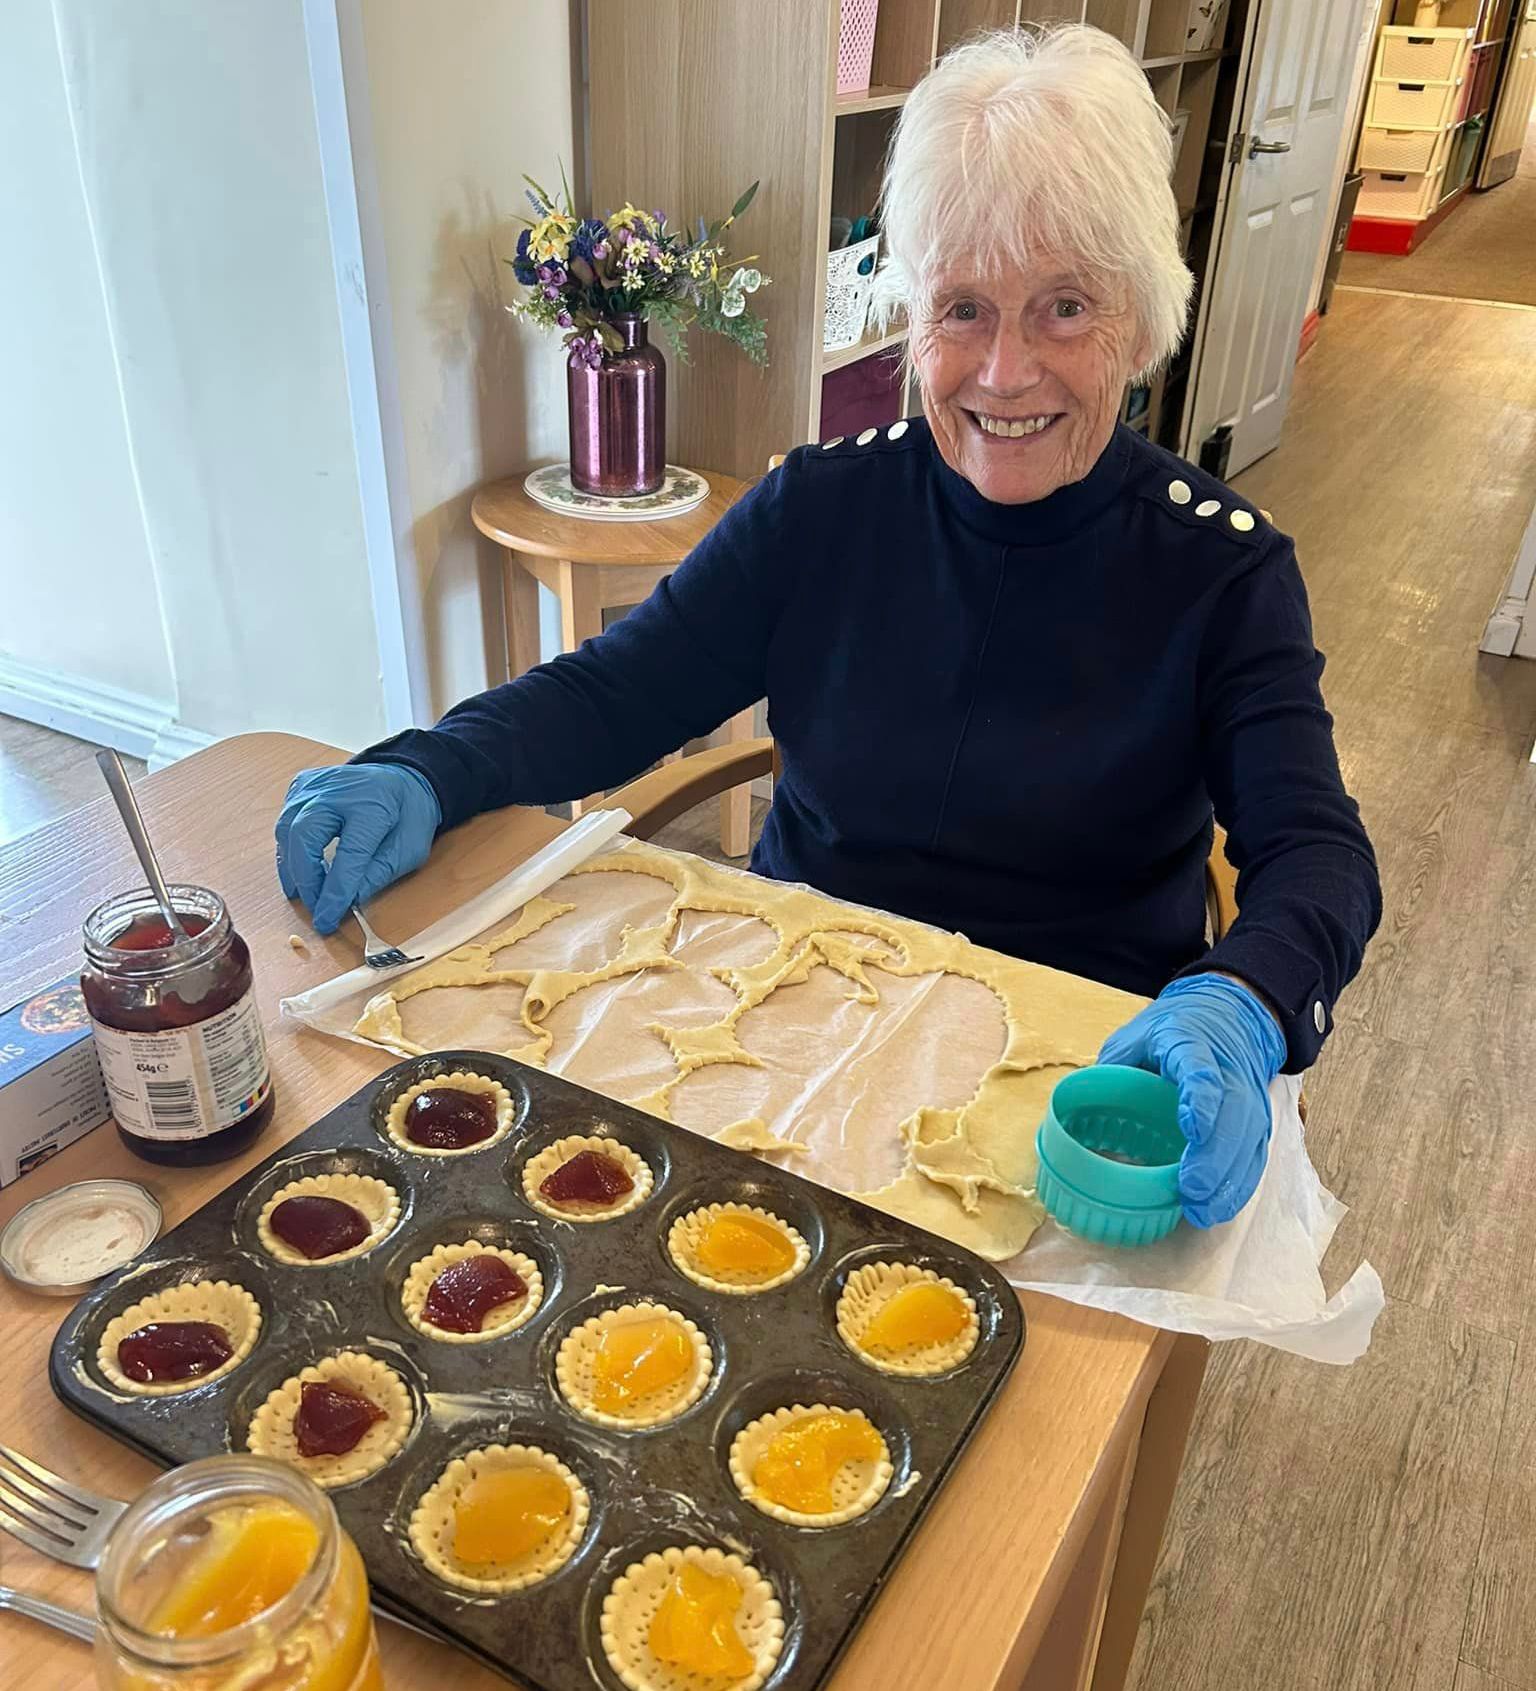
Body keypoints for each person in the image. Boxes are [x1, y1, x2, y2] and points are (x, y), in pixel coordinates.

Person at [276, 25, 1380, 1230]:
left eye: (1066, 308)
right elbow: (612, 695)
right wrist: (435, 762)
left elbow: (1316, 850)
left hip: (1073, 1060)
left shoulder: (1224, 567)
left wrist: (1248, 994)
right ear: (915, 314)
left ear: (1142, 316)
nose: (1005, 372)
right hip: (783, 1022)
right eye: (963, 308)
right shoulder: (819, 506)